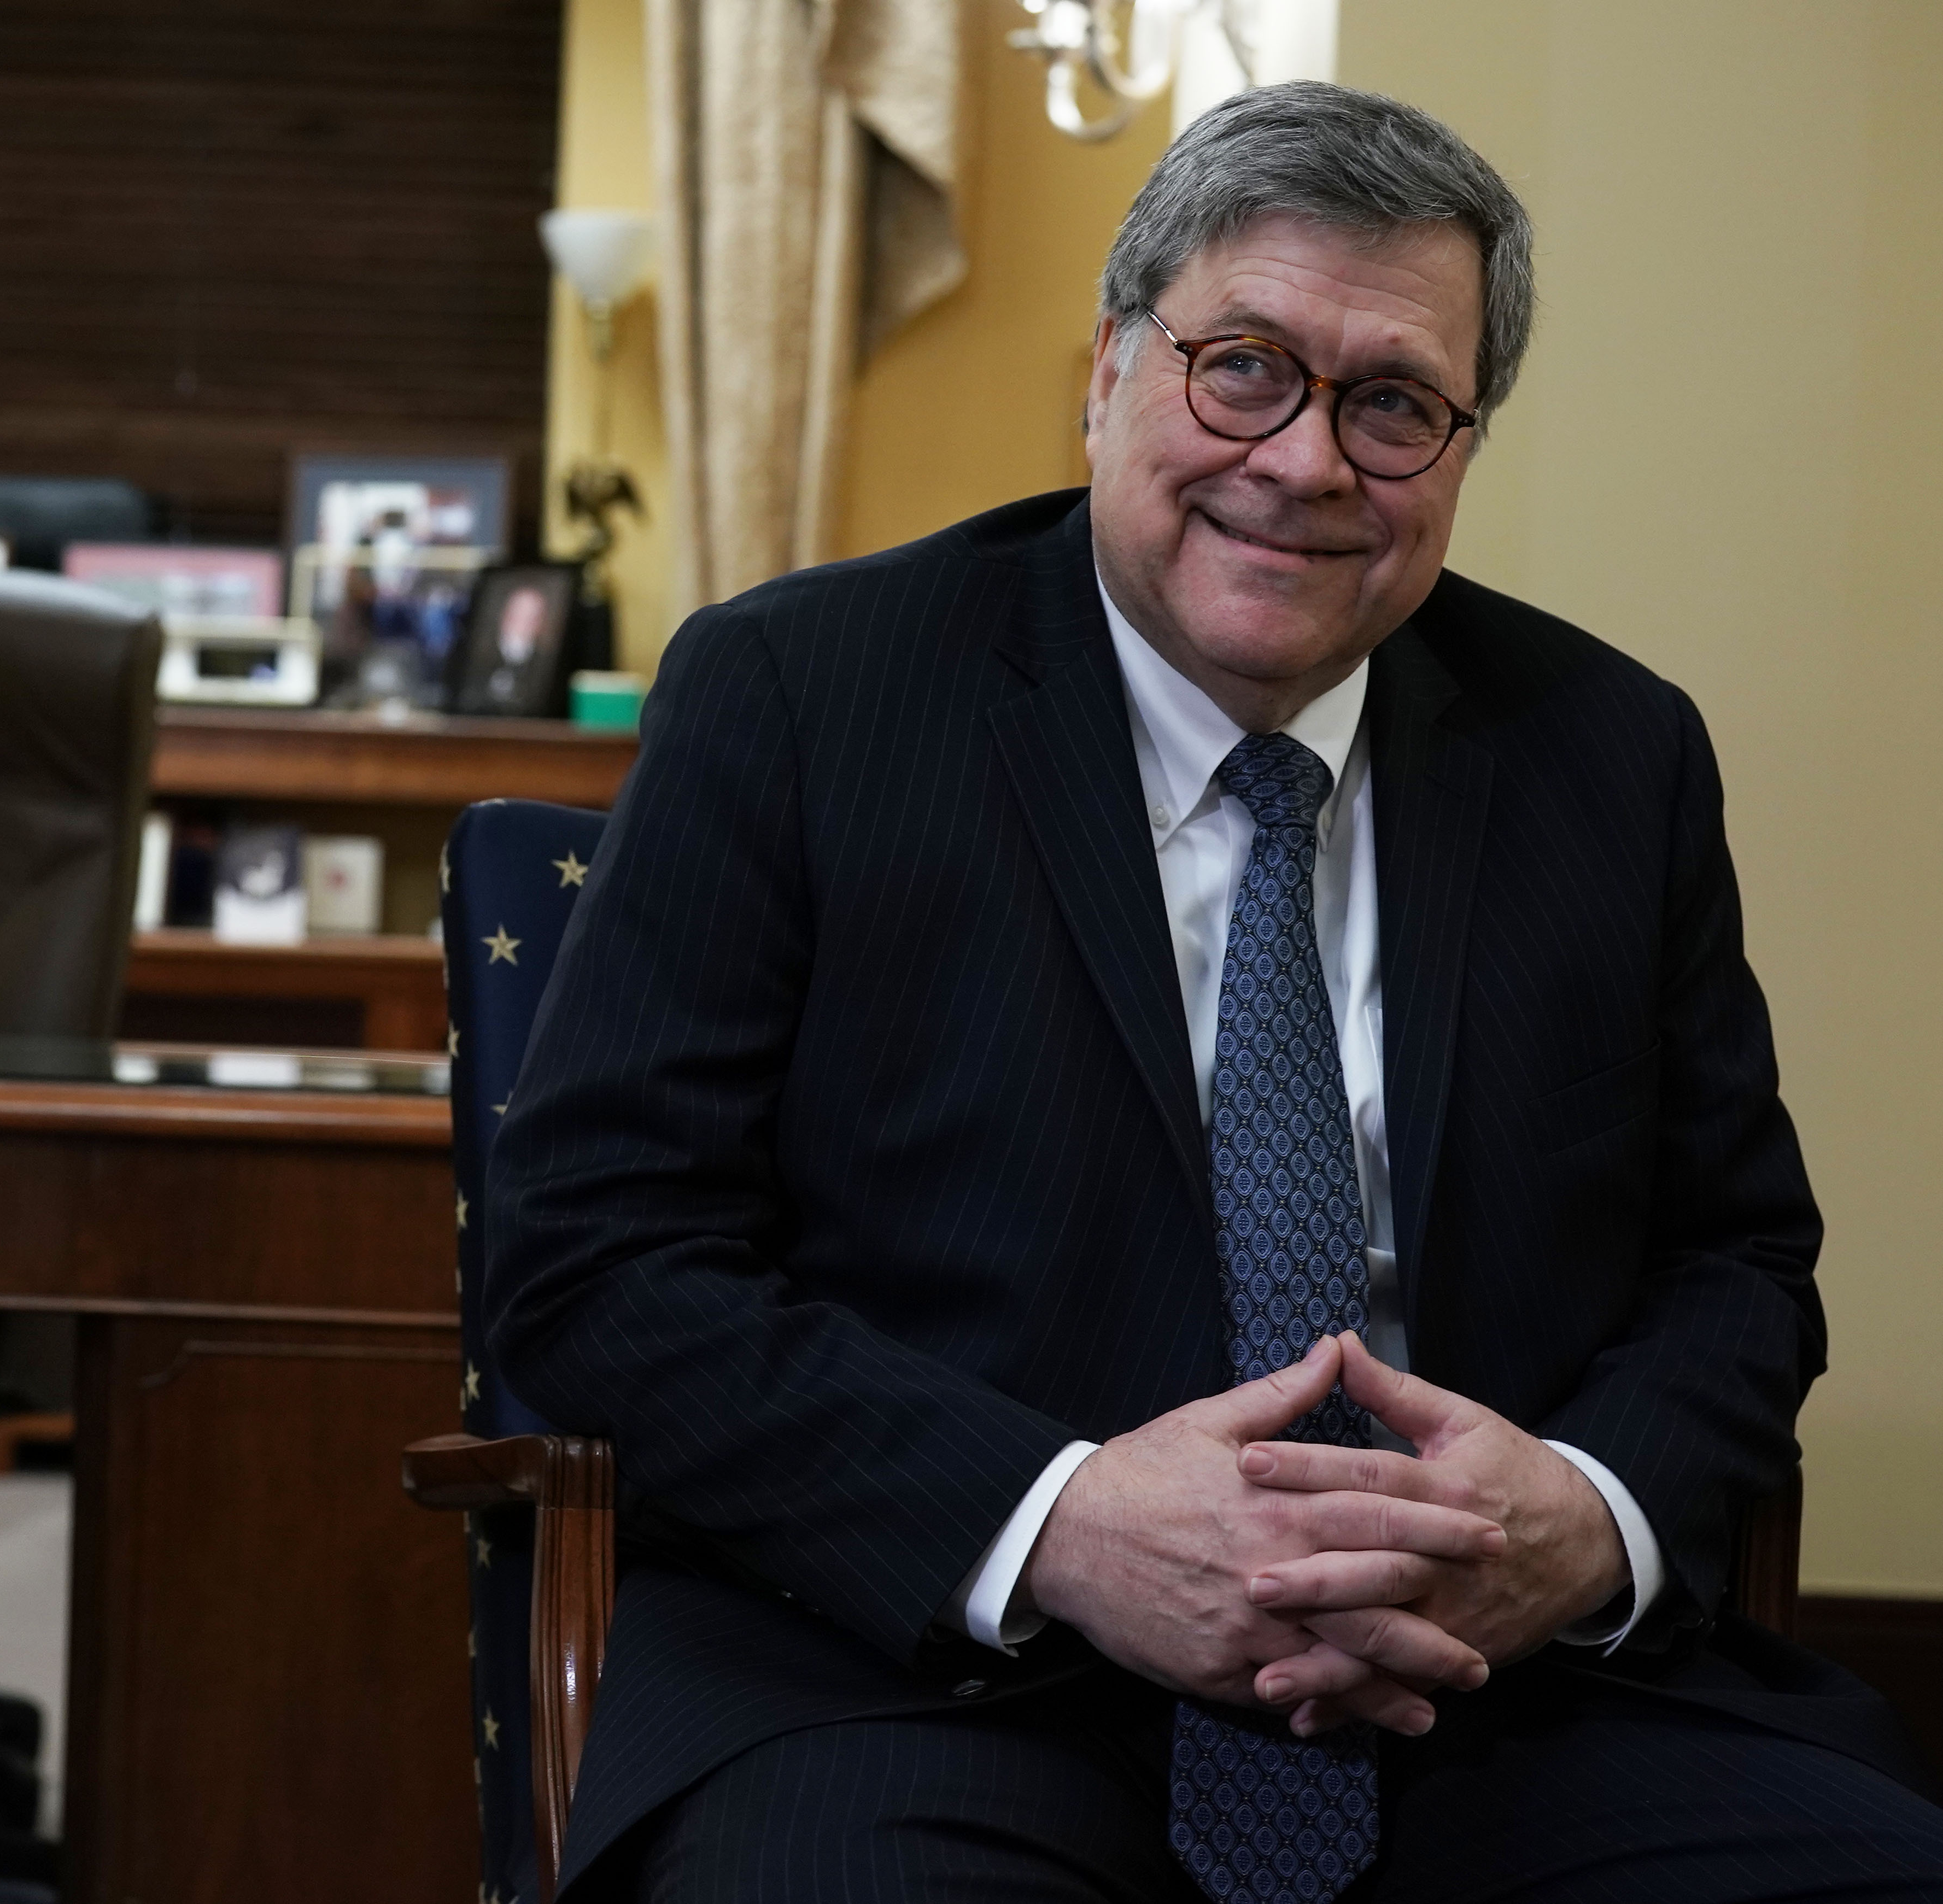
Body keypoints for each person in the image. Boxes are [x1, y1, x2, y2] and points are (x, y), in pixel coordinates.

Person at [484, 81, 1943, 1902]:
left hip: (1488, 1693)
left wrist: (1577, 1514)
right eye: (1240, 365)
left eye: (1394, 404)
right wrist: (1060, 1520)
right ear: (1106, 369)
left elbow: (1737, 1262)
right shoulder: (799, 694)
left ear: (1463, 444)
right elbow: (595, 1257)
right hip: (934, 1674)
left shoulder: (1608, 754)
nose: (1308, 461)